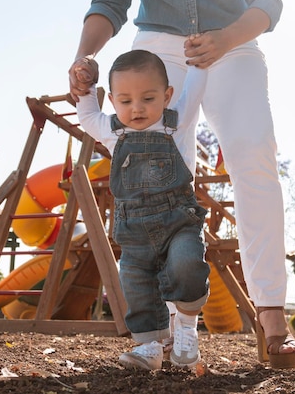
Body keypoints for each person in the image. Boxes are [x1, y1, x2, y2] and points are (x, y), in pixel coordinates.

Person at [68, 0, 295, 369]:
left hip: (234, 41)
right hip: (158, 48)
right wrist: (82, 58)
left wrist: (225, 38)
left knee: (253, 150)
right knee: (160, 166)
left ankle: (271, 311)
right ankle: (168, 324)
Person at [75, 48, 211, 371]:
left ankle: (187, 330)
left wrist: (199, 61)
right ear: (111, 101)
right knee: (136, 284)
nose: (136, 109)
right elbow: (86, 117)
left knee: (188, 264)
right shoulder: (112, 131)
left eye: (148, 99)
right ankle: (150, 345)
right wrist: (83, 87)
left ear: (166, 96)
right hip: (134, 231)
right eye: (125, 101)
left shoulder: (175, 123)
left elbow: (195, 89)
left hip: (178, 220)